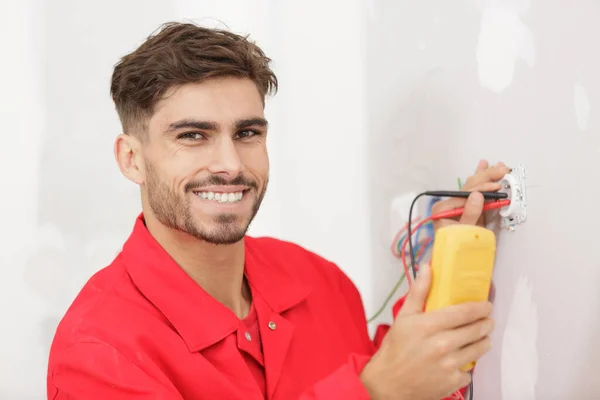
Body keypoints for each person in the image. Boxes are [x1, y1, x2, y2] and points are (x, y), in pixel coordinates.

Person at [46, 21, 510, 400]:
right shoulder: (97, 354)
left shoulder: (321, 283)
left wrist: (446, 262)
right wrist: (371, 392)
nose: (230, 165)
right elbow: (386, 384)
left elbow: (408, 377)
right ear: (132, 159)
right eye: (192, 136)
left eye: (248, 133)